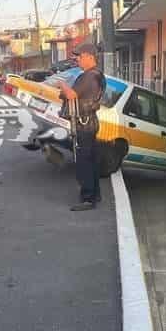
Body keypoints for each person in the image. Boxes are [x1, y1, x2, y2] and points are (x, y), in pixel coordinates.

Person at [55, 44, 106, 211]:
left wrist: (62, 85)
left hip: (84, 124)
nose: (77, 60)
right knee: (91, 160)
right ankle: (94, 195)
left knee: (83, 162)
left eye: (79, 56)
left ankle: (87, 199)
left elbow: (71, 95)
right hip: (89, 122)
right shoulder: (97, 75)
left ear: (89, 56)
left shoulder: (89, 76)